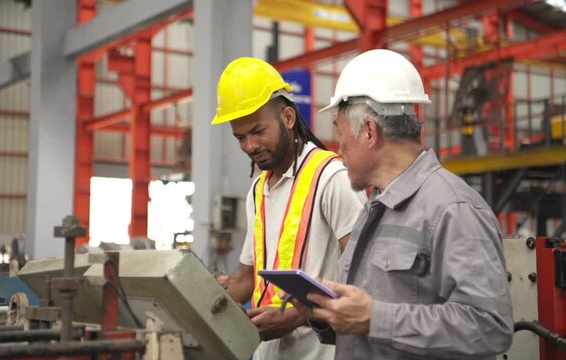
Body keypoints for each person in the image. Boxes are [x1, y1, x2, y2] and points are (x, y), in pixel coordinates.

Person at [289, 49, 514, 359]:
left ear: (369, 131)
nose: (338, 149)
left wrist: (375, 318)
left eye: (340, 135)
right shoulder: (374, 208)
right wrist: (324, 313)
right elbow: (366, 326)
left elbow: (489, 327)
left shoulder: (453, 208)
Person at [213, 57, 364, 360]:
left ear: (288, 118)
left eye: (258, 131)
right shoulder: (258, 190)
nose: (250, 146)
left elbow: (365, 275)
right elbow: (245, 278)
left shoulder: (331, 178)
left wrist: (298, 316)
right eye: (240, 137)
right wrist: (198, 303)